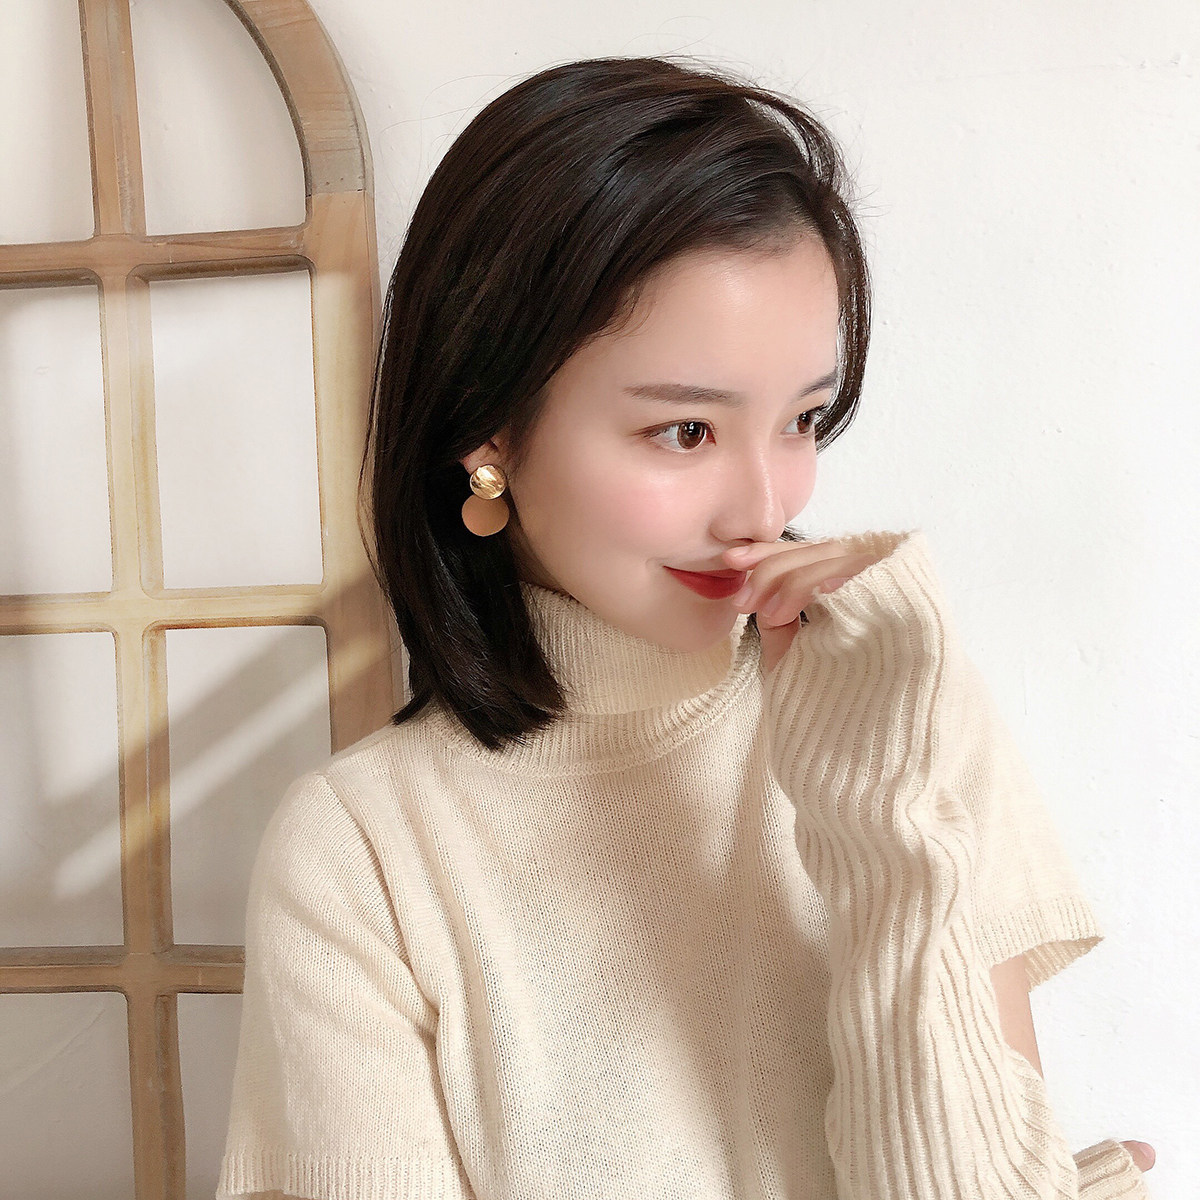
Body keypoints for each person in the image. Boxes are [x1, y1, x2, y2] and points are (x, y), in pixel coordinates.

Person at [217, 56, 1155, 1199]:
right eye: (686, 434)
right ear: (489, 427)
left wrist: (876, 824)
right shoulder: (362, 853)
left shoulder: (900, 706)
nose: (764, 506)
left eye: (804, 418)